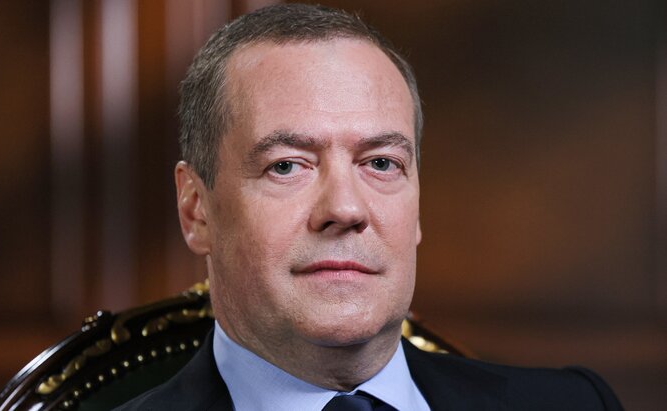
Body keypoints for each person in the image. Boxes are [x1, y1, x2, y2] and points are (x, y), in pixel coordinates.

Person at [116, 4, 623, 410]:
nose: (345, 208)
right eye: (287, 166)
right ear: (196, 210)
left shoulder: (576, 404)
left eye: (381, 163)